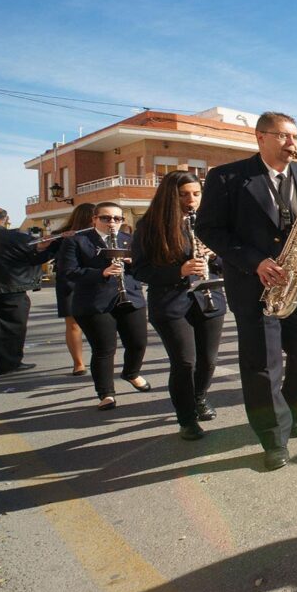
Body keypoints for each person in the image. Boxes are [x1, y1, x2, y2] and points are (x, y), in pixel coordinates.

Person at [195, 111, 297, 472]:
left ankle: (294, 404)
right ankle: (273, 436)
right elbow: (209, 229)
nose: (293, 144)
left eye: (296, 137)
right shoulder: (226, 177)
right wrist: (254, 261)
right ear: (261, 137)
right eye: (285, 136)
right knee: (262, 364)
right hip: (255, 285)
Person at [132, 171, 226, 441]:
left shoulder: (209, 223)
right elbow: (139, 270)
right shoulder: (149, 226)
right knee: (185, 362)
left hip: (208, 299)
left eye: (196, 194)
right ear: (170, 196)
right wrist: (179, 271)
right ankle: (186, 419)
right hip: (171, 303)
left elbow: (227, 263)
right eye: (184, 195)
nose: (191, 200)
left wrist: (215, 256)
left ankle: (199, 398)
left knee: (208, 360)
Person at [59, 202, 149, 410]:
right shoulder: (77, 241)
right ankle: (106, 394)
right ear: (94, 219)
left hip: (130, 297)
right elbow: (68, 272)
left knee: (138, 343)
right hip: (94, 302)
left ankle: (131, 373)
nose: (112, 223)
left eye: (117, 219)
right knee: (104, 349)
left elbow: (145, 270)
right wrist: (102, 272)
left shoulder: (130, 240)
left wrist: (134, 262)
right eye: (106, 218)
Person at [0, 207, 58, 375]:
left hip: (0, 287)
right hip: (11, 288)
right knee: (11, 328)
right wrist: (48, 247)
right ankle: (9, 363)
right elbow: (36, 257)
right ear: (5, 219)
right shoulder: (17, 238)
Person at [52, 202, 96, 376]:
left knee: (99, 322)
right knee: (73, 324)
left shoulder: (99, 234)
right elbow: (42, 255)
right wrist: (56, 241)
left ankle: (97, 358)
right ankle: (78, 363)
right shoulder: (61, 236)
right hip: (70, 283)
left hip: (94, 280)